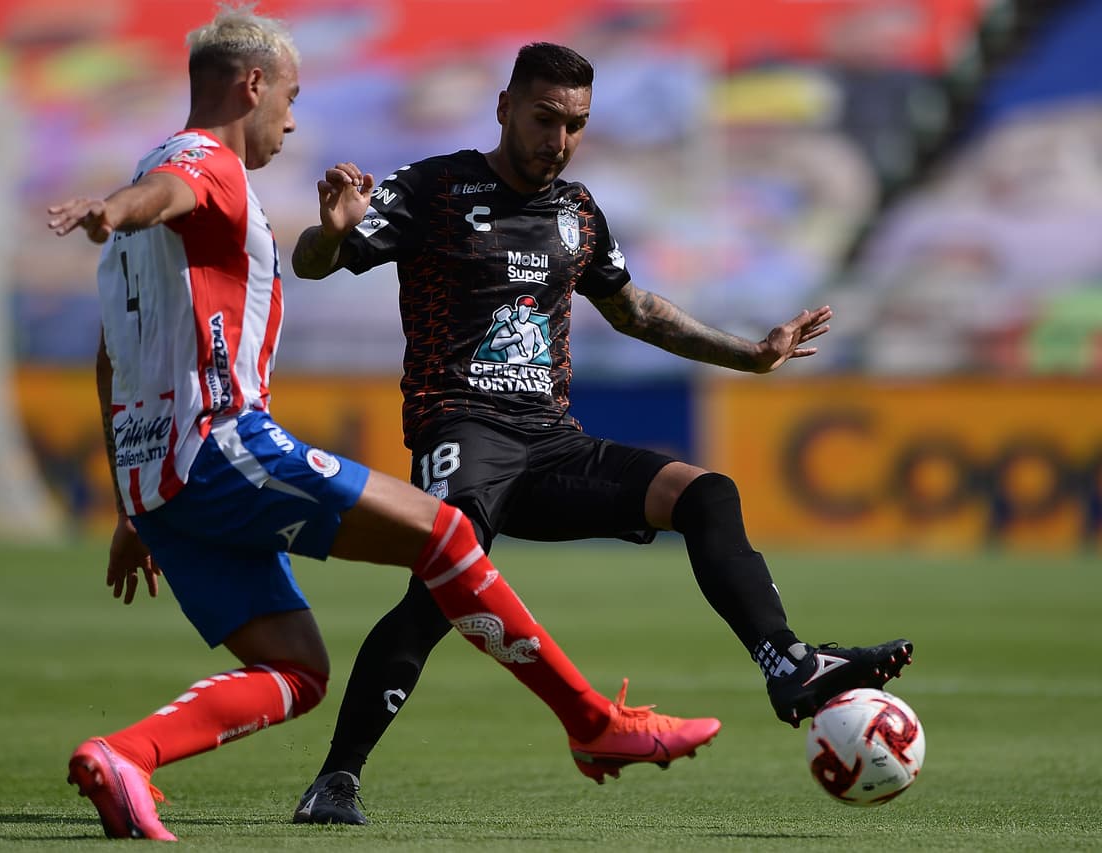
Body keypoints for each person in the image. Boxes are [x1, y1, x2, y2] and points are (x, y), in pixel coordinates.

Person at [46, 11, 721, 843]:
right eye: (289, 98)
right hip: (222, 445)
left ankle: (124, 754)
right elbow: (173, 191)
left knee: (297, 668)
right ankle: (591, 720)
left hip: (157, 481)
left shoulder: (150, 179)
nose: (292, 120)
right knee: (450, 537)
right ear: (253, 85)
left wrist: (127, 502)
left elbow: (113, 357)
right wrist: (117, 209)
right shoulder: (203, 167)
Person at [289, 41, 913, 825]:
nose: (558, 139)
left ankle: (786, 660)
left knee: (705, 492)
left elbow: (635, 310)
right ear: (505, 108)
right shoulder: (436, 187)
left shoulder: (577, 210)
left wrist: (750, 355)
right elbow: (318, 261)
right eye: (545, 118)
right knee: (443, 589)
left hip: (551, 444)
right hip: (464, 428)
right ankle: (336, 778)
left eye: (575, 124)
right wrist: (330, 231)